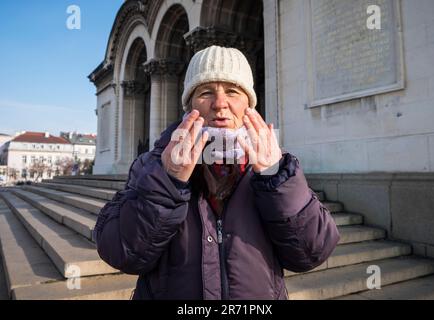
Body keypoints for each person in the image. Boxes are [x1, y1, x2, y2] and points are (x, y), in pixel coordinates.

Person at [94, 45, 340, 300]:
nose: (220, 104)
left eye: (233, 91)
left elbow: (312, 252)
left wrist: (276, 181)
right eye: (206, 92)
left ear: (249, 104)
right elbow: (122, 253)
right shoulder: (153, 165)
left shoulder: (277, 169)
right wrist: (167, 183)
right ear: (189, 106)